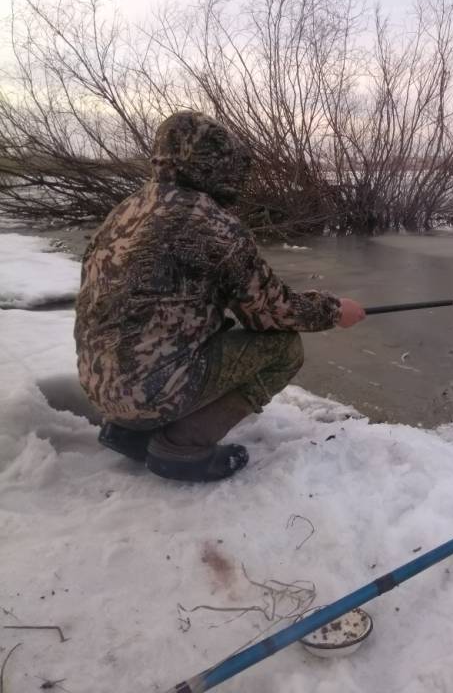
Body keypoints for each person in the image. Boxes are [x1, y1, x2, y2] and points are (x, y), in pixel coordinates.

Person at [74, 111, 365, 483]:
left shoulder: (126, 210)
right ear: (216, 167)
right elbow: (270, 312)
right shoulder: (209, 223)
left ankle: (130, 430)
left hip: (100, 386)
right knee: (283, 349)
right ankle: (182, 445)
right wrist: (335, 311)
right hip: (149, 392)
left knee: (189, 337)